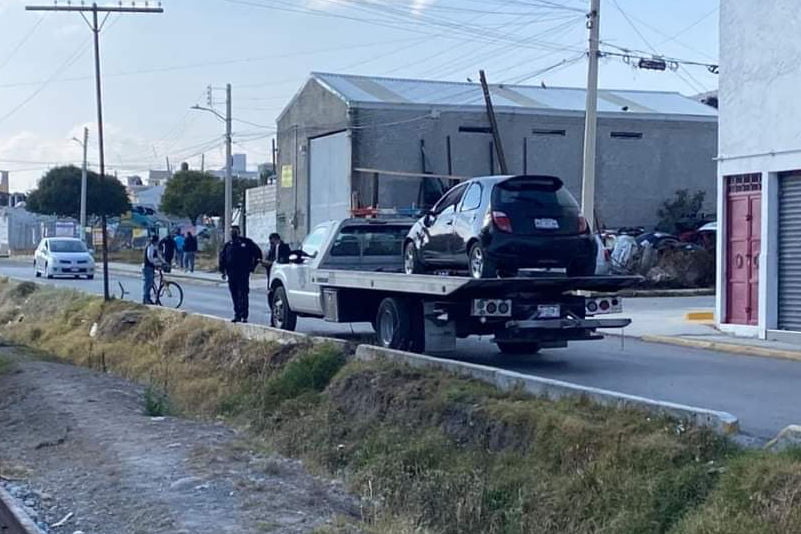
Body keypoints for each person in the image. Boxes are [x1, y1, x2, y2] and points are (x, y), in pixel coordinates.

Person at [218, 225, 262, 323]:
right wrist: (222, 271)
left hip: (243, 273)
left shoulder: (247, 243)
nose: (233, 233)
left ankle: (244, 315)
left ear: (239, 232)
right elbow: (222, 258)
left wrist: (252, 267)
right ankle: (237, 314)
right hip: (231, 273)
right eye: (231, 231)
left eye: (235, 231)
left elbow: (257, 253)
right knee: (234, 295)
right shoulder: (228, 245)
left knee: (243, 294)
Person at [142, 234, 163, 304]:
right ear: (155, 241)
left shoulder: (154, 247)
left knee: (150, 283)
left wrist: (164, 262)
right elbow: (150, 257)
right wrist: (156, 263)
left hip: (150, 267)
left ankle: (147, 298)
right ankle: (146, 299)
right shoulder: (150, 247)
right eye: (157, 241)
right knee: (148, 283)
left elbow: (159, 255)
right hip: (147, 267)